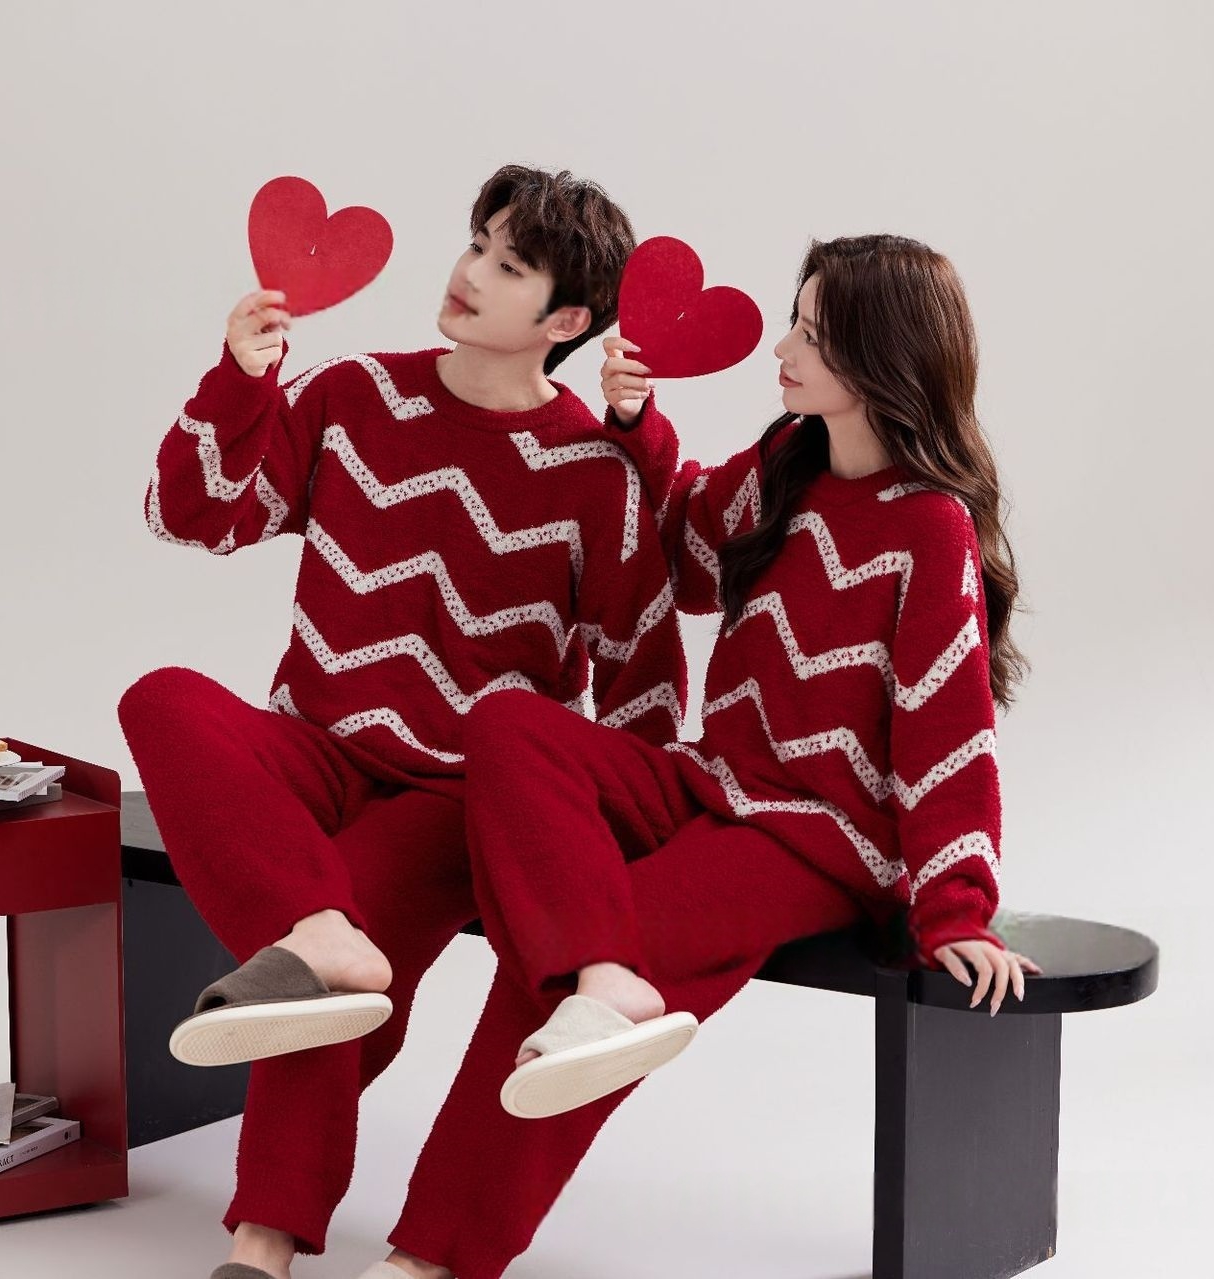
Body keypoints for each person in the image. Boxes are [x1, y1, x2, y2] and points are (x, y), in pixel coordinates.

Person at [363, 233, 1042, 1279]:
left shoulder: (930, 528)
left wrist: (954, 908)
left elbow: (947, 728)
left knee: (558, 975)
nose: (783, 350)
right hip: (711, 781)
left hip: (815, 835)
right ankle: (601, 973)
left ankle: (437, 1255)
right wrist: (635, 423)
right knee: (510, 724)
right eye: (794, 324)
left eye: (812, 335)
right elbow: (682, 545)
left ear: (881, 356)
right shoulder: (787, 465)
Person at [116, 164, 685, 1279]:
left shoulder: (593, 472)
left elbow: (644, 687)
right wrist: (239, 382)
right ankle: (314, 930)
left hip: (455, 794)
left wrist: (594, 841)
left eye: (508, 266)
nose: (469, 273)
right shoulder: (355, 395)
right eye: (477, 244)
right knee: (162, 699)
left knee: (340, 947)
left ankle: (261, 1244)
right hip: (315, 746)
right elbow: (192, 517)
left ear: (567, 322)